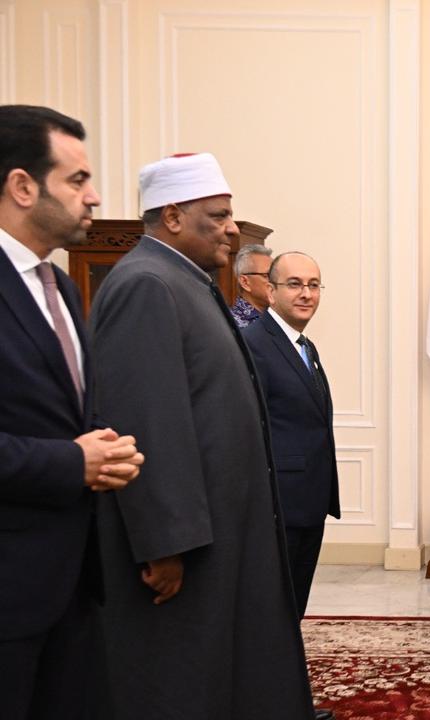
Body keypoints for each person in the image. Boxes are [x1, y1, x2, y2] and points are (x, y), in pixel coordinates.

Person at [90, 153, 315, 719]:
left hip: (219, 535)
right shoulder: (146, 284)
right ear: (171, 216)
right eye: (218, 215)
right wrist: (164, 544)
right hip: (185, 550)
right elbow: (146, 423)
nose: (233, 228)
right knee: (181, 678)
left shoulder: (183, 281)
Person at [0, 104, 143, 720]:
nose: (95, 197)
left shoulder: (56, 285)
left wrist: (103, 453)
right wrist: (71, 462)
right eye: (78, 180)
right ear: (23, 186)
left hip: (72, 587)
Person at [242, 251, 339, 617]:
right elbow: (249, 427)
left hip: (309, 500)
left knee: (292, 606)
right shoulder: (254, 343)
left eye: (314, 285)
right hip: (277, 503)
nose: (306, 294)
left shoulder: (303, 345)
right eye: (295, 284)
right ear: (270, 291)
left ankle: (284, 671)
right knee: (271, 609)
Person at [230, 242, 272, 327]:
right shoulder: (230, 323)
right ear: (245, 282)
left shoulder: (279, 319)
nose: (276, 281)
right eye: (268, 276)